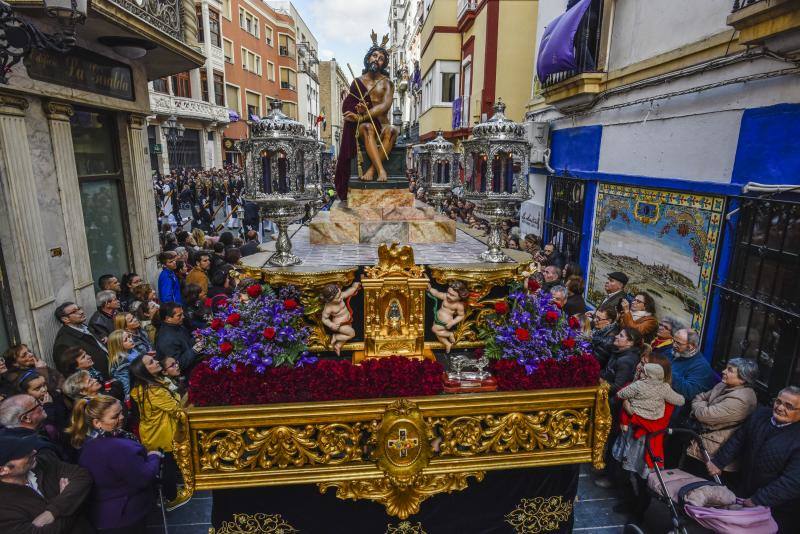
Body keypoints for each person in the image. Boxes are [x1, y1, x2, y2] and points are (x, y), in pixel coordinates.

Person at [706, 386, 800, 532]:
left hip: (777, 507)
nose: (780, 408)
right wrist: (719, 462)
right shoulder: (760, 415)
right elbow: (739, 438)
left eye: (789, 406)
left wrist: (759, 499)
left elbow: (792, 482)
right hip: (746, 489)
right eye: (778, 402)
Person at [68, 395, 162, 532]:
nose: (122, 417)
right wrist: (154, 457)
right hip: (125, 516)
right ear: (97, 423)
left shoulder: (88, 442)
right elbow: (144, 477)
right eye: (115, 416)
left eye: (121, 412)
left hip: (103, 515)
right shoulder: (118, 448)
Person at [335, 31, 399, 200]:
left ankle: (372, 169)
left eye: (381, 58)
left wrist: (363, 115)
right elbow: (349, 104)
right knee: (367, 127)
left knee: (392, 130)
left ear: (383, 63)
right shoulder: (357, 82)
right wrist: (357, 110)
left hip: (383, 125)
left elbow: (385, 106)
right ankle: (381, 169)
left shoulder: (387, 83)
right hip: (365, 127)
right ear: (368, 58)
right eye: (374, 56)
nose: (376, 60)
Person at [0, 433, 93, 532]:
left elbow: (82, 476)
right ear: (2, 470)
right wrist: (72, 506)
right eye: (23, 453)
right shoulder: (3, 507)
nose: (34, 451)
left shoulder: (44, 463)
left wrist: (52, 512)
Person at [684, 358, 758, 481]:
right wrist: (702, 407)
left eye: (730, 370)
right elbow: (699, 397)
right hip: (701, 447)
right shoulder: (722, 385)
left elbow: (704, 415)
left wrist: (700, 407)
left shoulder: (742, 400)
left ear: (743, 379)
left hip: (713, 456)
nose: (723, 371)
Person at [129, 354, 184, 505]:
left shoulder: (141, 387)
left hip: (151, 431)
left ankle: (167, 495)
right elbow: (175, 408)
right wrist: (179, 396)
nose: (157, 362)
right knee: (168, 467)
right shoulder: (154, 390)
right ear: (144, 371)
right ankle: (171, 498)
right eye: (151, 362)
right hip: (162, 433)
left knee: (165, 465)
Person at [617, 363, 685, 432]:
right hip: (629, 428)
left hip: (643, 437)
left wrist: (631, 413)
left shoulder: (665, 396)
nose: (639, 367)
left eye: (643, 370)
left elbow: (656, 426)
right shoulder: (640, 384)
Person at [0, 394, 64, 460]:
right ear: (26, 418)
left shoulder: (4, 437)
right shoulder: (40, 449)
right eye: (37, 404)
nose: (42, 405)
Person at [320, 282, 361, 356]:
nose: (341, 297)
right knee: (352, 334)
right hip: (339, 325)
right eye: (338, 297)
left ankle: (338, 346)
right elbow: (324, 319)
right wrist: (331, 325)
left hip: (347, 321)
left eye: (340, 295)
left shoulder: (340, 296)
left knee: (347, 335)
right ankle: (335, 337)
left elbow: (348, 292)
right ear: (330, 300)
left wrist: (354, 287)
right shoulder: (329, 307)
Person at [427, 281, 469, 353]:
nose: (448, 296)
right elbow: (436, 293)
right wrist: (430, 289)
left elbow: (461, 316)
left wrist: (452, 323)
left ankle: (450, 334)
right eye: (448, 293)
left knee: (434, 329)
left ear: (460, 296)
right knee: (438, 334)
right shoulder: (445, 297)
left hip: (445, 323)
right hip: (437, 320)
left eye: (452, 295)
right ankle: (447, 344)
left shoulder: (458, 305)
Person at [154, 302, 197, 372]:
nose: (183, 317)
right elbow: (177, 364)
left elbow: (186, 345)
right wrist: (195, 349)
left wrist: (196, 339)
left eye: (182, 313)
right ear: (168, 319)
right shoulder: (166, 339)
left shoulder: (177, 325)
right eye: (179, 315)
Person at [106, 330, 137, 398]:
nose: (131, 340)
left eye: (129, 336)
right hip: (135, 393)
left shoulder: (132, 350)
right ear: (118, 345)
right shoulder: (121, 361)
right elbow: (126, 384)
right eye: (126, 340)